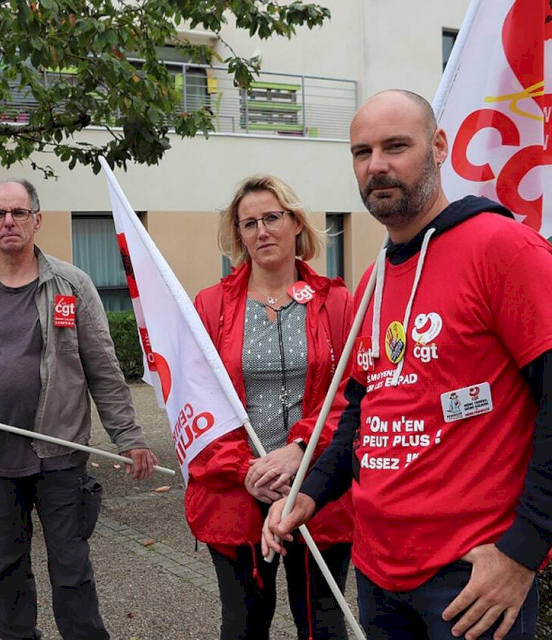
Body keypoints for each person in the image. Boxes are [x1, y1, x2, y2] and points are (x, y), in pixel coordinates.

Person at [263, 90, 552, 640]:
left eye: (396, 146)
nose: (377, 165)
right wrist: (312, 491)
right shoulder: (374, 278)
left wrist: (523, 552)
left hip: (470, 579)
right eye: (361, 151)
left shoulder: (504, 248)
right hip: (379, 573)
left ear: (439, 147)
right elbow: (363, 409)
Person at [0, 179, 159, 640]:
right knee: (6, 572)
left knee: (72, 571)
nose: (9, 222)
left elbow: (103, 366)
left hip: (60, 456)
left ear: (38, 219)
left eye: (19, 212)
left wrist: (130, 437)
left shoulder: (71, 285)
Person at [190, 175, 354, 640]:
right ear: (237, 235)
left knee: (321, 622)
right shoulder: (210, 305)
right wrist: (247, 469)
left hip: (320, 487)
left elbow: (353, 392)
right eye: (248, 223)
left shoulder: (338, 302)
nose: (261, 231)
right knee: (242, 626)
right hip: (236, 491)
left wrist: (300, 449)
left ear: (296, 223)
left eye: (271, 218)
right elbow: (196, 401)